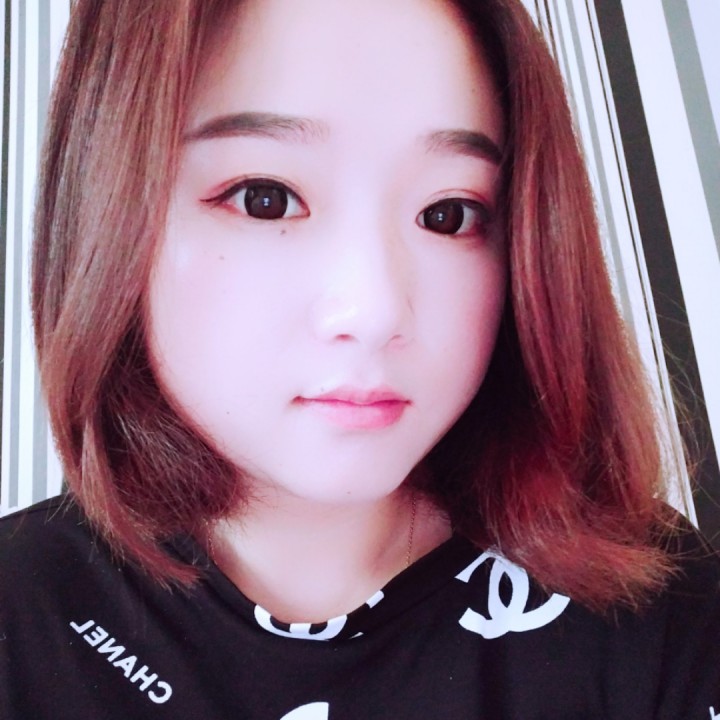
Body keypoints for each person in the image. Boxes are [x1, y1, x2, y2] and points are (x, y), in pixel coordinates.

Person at [1, 0, 719, 717]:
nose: (374, 311)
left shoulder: (653, 614)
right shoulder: (25, 615)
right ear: (109, 212)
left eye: (449, 214)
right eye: (265, 199)